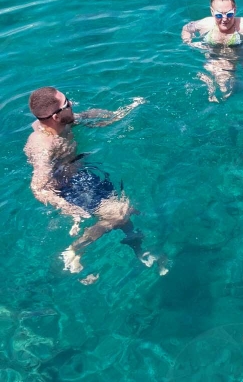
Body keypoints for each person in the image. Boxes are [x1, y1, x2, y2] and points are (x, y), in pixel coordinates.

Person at [24, 87, 166, 278]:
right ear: (56, 116)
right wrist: (68, 209)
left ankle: (138, 247)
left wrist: (122, 113)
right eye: (67, 103)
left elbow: (88, 117)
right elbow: (38, 187)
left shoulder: (63, 122)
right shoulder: (42, 145)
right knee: (119, 214)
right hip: (67, 188)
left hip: (83, 175)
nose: (72, 103)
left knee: (126, 211)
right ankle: (74, 250)